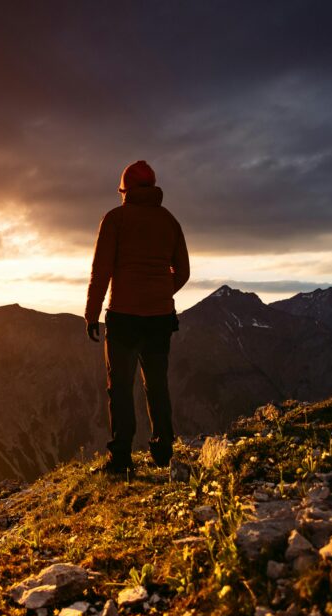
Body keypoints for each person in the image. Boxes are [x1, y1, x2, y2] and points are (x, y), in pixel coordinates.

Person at [84, 160, 190, 475]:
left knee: (120, 387)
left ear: (125, 190)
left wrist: (92, 314)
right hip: (159, 318)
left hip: (124, 318)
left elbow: (101, 271)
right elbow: (183, 272)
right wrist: (160, 292)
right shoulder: (169, 221)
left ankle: (121, 459)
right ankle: (163, 451)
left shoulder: (115, 219)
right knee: (156, 384)